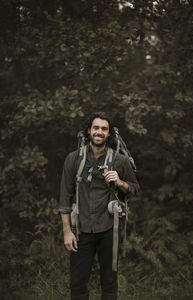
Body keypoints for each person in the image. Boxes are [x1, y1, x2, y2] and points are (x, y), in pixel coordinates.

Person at [59, 112, 139, 300]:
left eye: (104, 129)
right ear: (89, 131)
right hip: (81, 230)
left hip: (110, 229)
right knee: (78, 284)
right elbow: (65, 198)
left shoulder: (120, 161)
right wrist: (67, 231)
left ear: (109, 134)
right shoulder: (74, 159)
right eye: (96, 128)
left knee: (109, 284)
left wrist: (120, 182)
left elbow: (135, 188)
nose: (99, 132)